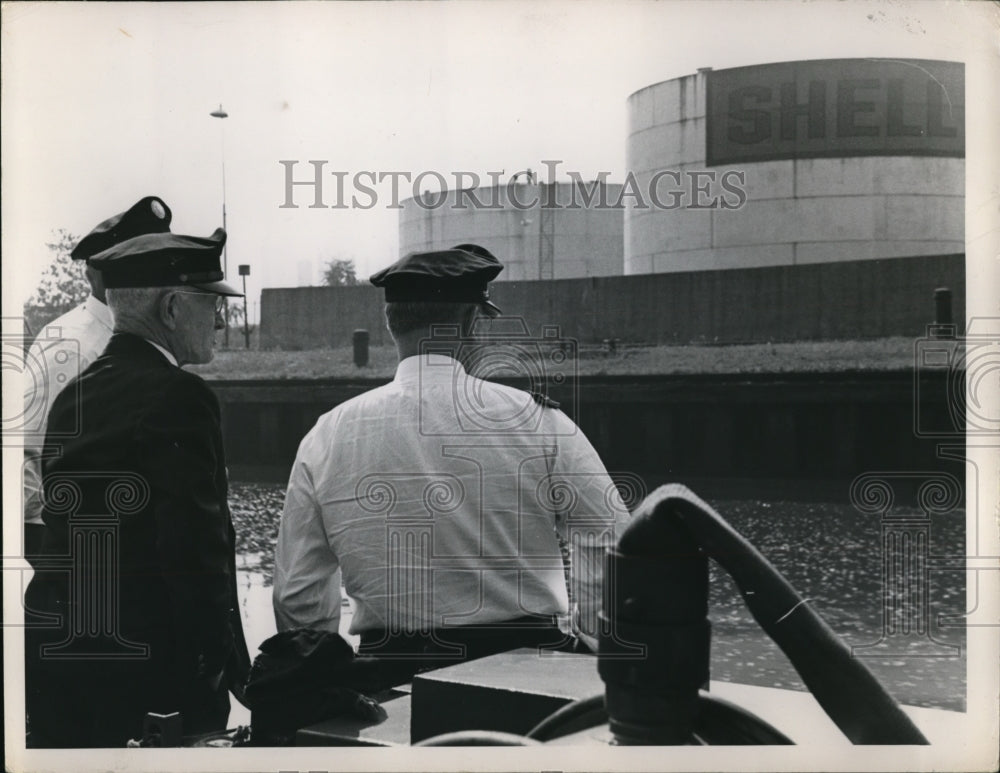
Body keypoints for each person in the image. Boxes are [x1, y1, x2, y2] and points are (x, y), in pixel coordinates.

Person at [273, 245, 630, 684]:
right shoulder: (540, 421)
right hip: (526, 675)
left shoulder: (326, 435)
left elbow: (298, 592)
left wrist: (325, 682)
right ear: (471, 323)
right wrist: (591, 646)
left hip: (388, 677)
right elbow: (616, 545)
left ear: (390, 325)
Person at [24, 222, 250, 747]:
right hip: (150, 674)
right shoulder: (181, 396)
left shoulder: (73, 396)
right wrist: (213, 668)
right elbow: (195, 549)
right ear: (171, 309)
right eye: (210, 303)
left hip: (65, 657)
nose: (220, 319)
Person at [22, 196, 173, 564]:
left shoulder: (126, 338)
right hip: (69, 545)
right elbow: (28, 462)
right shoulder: (75, 348)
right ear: (104, 274)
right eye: (146, 263)